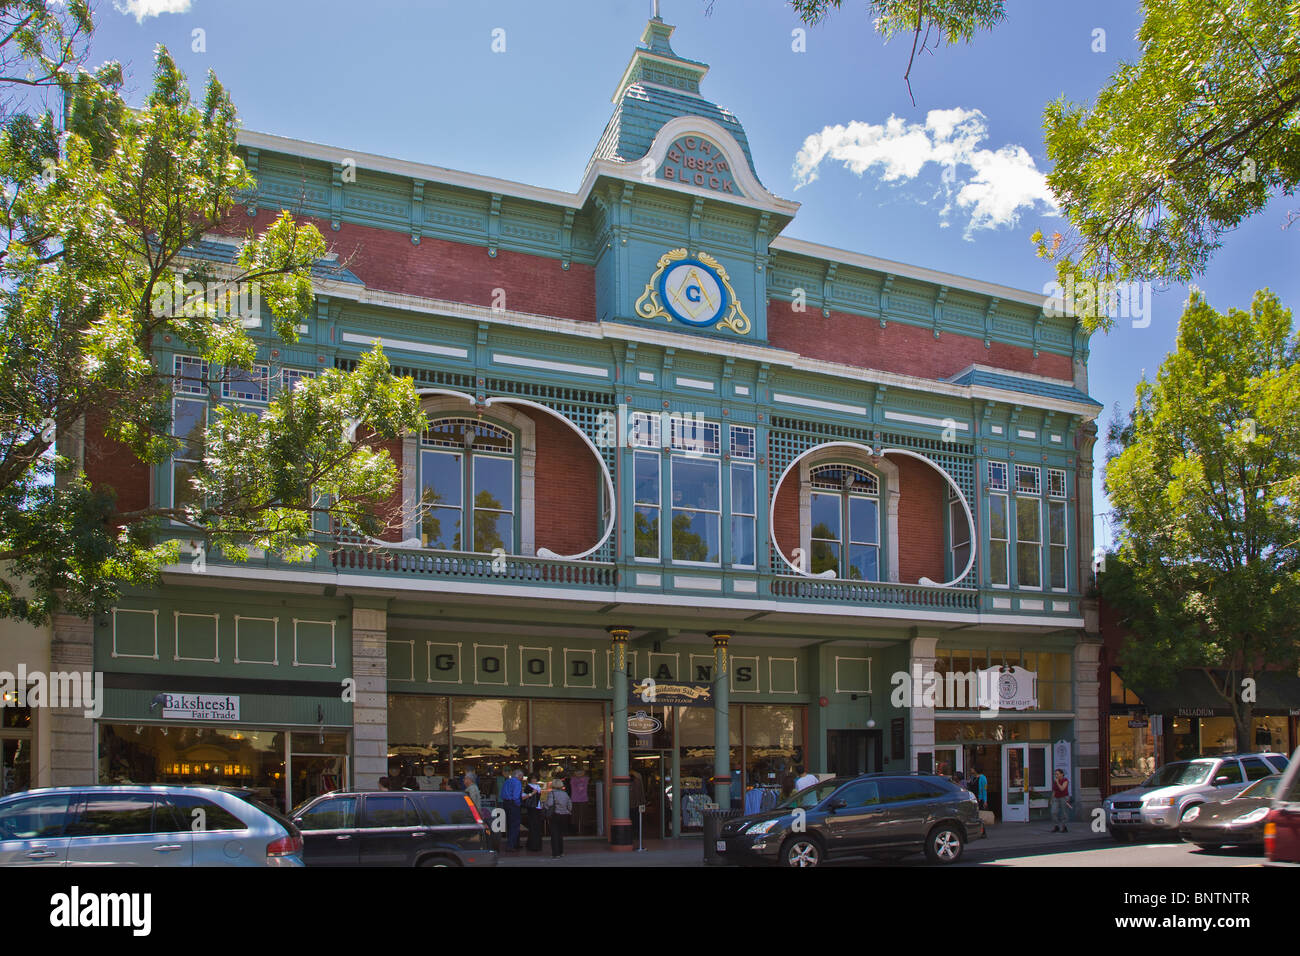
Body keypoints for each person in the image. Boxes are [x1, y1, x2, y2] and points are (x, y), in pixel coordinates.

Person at [545, 778, 573, 858]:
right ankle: (561, 852)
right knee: (560, 834)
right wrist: (568, 810)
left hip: (555, 814)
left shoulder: (551, 793)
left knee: (554, 834)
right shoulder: (565, 794)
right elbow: (569, 804)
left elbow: (549, 804)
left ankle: (555, 853)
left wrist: (545, 805)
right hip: (564, 815)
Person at [500, 767, 523, 851]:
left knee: (509, 824)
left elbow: (501, 794)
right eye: (522, 776)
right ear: (519, 776)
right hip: (513, 804)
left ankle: (514, 843)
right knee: (515, 825)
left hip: (506, 803)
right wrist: (518, 804)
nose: (522, 778)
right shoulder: (517, 782)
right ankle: (511, 845)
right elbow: (516, 796)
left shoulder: (507, 781)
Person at [524, 774, 544, 852]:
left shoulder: (538, 786)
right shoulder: (528, 787)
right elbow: (523, 797)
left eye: (535, 778)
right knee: (533, 826)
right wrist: (532, 793)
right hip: (532, 808)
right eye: (532, 778)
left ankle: (536, 844)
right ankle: (533, 845)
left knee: (537, 826)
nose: (534, 780)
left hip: (538, 808)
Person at [1051, 768, 1072, 832]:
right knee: (1053, 812)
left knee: (1064, 813)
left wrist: (1057, 782)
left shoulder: (1065, 780)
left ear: (1062, 774)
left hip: (1064, 797)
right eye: (1055, 774)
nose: (1056, 775)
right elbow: (1054, 791)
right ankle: (1056, 825)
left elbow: (1062, 789)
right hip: (1056, 798)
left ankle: (1064, 826)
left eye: (1057, 774)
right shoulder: (1055, 781)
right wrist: (1051, 799)